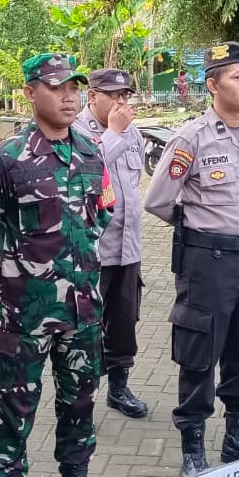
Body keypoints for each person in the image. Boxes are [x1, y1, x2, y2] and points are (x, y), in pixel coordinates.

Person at [0, 52, 122, 477]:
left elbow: (102, 215)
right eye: (57, 88)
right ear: (31, 93)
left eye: (76, 86)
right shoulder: (7, 160)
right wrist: (17, 269)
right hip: (26, 314)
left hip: (84, 309)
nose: (70, 96)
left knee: (80, 404)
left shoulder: (92, 154)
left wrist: (78, 265)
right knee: (17, 408)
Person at [145, 41, 239, 477]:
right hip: (208, 261)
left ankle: (237, 438)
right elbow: (159, 201)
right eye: (237, 77)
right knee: (200, 352)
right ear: (212, 84)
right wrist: (202, 231)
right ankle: (193, 448)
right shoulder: (192, 137)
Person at [74, 68, 149, 418]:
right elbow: (86, 172)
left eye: (125, 97)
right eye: (114, 96)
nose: (122, 103)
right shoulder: (75, 131)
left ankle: (119, 388)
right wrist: (114, 132)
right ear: (92, 97)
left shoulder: (131, 131)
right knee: (86, 327)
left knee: (123, 321)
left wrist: (121, 131)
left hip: (128, 246)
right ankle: (81, 399)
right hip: (94, 250)